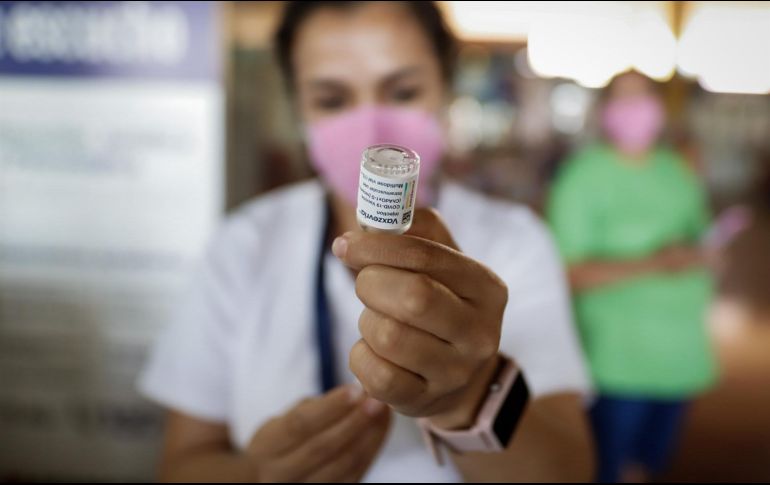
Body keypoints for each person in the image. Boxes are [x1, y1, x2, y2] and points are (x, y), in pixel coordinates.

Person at [139, 2, 593, 482]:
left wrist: (471, 396)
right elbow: (181, 463)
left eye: (403, 91)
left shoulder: (515, 242)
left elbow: (569, 471)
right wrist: (257, 475)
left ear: (445, 87)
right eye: (332, 100)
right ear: (298, 109)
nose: (371, 128)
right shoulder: (243, 245)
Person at [547, 71, 717, 483]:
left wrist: (707, 257)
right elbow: (567, 273)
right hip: (617, 361)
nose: (636, 110)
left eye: (644, 98)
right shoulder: (581, 177)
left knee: (647, 465)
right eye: (624, 99)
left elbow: (701, 239)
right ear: (605, 111)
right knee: (606, 467)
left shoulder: (676, 172)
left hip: (681, 355)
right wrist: (657, 263)